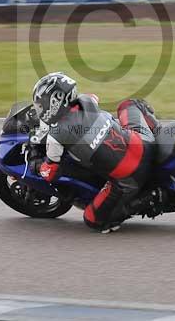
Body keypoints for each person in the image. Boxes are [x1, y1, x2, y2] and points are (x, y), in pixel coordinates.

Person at [30, 72, 159, 233]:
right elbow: (93, 97)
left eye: (41, 105)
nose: (40, 109)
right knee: (129, 104)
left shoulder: (56, 136)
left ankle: (146, 199)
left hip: (129, 177)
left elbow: (50, 173)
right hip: (143, 141)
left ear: (55, 101)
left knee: (93, 220)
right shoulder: (86, 101)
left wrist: (36, 166)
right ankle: (159, 132)